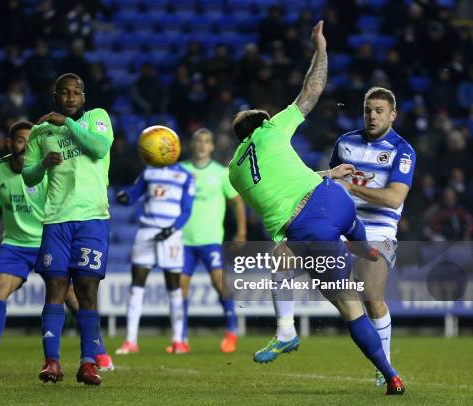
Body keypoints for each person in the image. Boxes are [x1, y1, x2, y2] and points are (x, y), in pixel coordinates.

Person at [227, 21, 405, 395]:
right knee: (337, 242)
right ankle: (363, 248)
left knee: (345, 304)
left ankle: (289, 333)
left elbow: (279, 187)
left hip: (312, 231)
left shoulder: (235, 173)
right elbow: (313, 88)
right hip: (335, 199)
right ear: (264, 123)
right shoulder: (273, 129)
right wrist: (320, 48)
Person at [0, 120, 114, 375]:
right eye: (20, 141)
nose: (26, 146)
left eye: (31, 141)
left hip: (48, 238)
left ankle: (100, 353)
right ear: (10, 143)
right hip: (16, 244)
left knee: (74, 298)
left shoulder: (47, 170)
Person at [22, 73, 113, 385]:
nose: (71, 97)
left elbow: (99, 149)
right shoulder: (40, 131)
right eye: (64, 92)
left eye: (76, 92)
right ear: (56, 94)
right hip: (56, 220)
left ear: (84, 97)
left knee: (87, 290)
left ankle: (89, 363)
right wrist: (42, 165)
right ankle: (52, 362)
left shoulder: (97, 118)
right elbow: (29, 178)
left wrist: (68, 124)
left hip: (92, 219)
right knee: (56, 289)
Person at [330, 87, 416, 386]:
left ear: (392, 115)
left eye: (379, 110)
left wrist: (352, 188)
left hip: (378, 229)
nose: (372, 116)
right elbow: (330, 185)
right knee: (282, 258)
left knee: (371, 295)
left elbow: (394, 199)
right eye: (368, 109)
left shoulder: (402, 150)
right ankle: (285, 330)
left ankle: (385, 366)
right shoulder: (345, 142)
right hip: (340, 225)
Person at [113, 160, 194, 355]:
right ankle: (130, 341)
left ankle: (177, 340)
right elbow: (134, 193)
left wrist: (172, 229)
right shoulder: (149, 170)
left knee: (174, 287)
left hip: (171, 236)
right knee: (136, 286)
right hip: (147, 232)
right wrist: (125, 197)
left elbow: (187, 210)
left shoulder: (185, 175)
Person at [179, 128, 246, 353]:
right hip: (183, 241)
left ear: (212, 146)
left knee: (220, 283)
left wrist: (241, 232)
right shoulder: (180, 170)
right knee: (180, 289)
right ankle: (181, 338)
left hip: (211, 240)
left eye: (206, 141)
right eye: (198, 140)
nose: (201, 145)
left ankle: (231, 332)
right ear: (192, 144)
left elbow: (237, 202)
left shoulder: (220, 173)